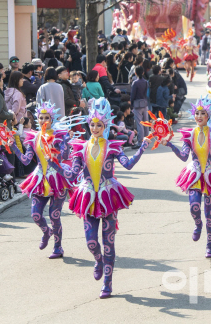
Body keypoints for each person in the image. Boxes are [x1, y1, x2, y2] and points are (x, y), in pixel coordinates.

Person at [61, 98, 149, 298]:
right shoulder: (80, 148)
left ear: (105, 125)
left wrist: (142, 148)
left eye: (98, 125)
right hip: (87, 197)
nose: (94, 128)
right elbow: (72, 174)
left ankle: (107, 283)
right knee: (91, 242)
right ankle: (98, 259)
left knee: (109, 243)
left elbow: (128, 165)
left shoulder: (113, 146)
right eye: (92, 124)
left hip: (109, 196)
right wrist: (55, 163)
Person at [160, 95, 211, 259]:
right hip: (194, 175)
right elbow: (183, 156)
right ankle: (197, 224)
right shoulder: (189, 134)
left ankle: (209, 246)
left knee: (210, 214)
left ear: (208, 116)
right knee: (194, 207)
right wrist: (170, 144)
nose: (199, 117)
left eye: (202, 113)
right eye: (197, 113)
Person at [11, 101, 72, 258]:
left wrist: (66, 142)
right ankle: (47, 232)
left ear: (52, 119)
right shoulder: (33, 137)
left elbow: (65, 157)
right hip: (39, 179)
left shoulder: (59, 136)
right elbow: (25, 160)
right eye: (40, 117)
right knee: (36, 215)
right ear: (36, 119)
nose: (43, 120)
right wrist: (13, 147)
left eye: (46, 117)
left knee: (54, 215)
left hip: (57, 178)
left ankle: (58, 247)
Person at [130, 66, 150, 144]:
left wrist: (131, 104)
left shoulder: (135, 82)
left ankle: (140, 141)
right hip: (145, 103)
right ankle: (146, 139)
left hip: (137, 104)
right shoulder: (145, 82)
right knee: (146, 122)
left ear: (135, 73)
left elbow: (133, 95)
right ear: (143, 72)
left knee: (139, 123)